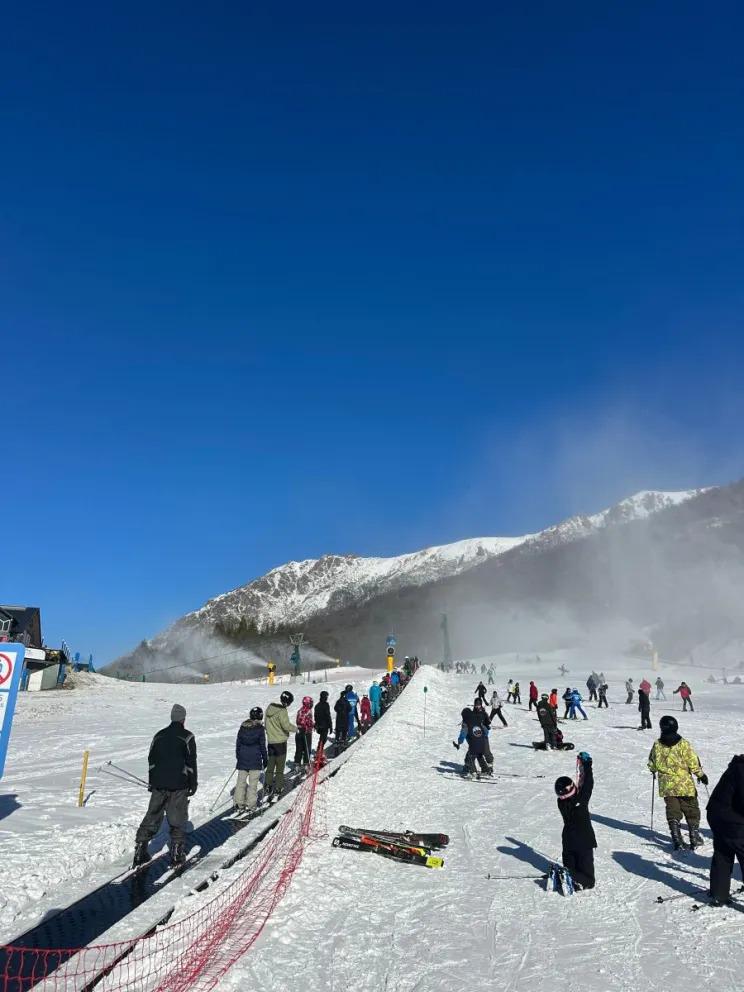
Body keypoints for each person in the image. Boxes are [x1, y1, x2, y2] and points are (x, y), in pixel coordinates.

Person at [133, 704, 197, 868]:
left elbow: (151, 760)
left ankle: (140, 849)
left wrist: (152, 781)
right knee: (177, 817)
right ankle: (176, 853)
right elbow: (191, 763)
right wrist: (193, 783)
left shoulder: (158, 735)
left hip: (158, 783)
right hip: (179, 784)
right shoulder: (187, 736)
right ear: (183, 719)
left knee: (153, 814)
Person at [648, 715, 707, 850]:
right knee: (691, 808)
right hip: (684, 784)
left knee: (673, 810)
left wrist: (653, 770)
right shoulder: (683, 744)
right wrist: (701, 775)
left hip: (667, 786)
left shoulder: (657, 745)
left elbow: (652, 762)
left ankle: (676, 838)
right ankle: (694, 836)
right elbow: (693, 763)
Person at [706, 754, 744, 907]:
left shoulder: (738, 766)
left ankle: (719, 894)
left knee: (723, 852)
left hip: (716, 815)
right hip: (731, 819)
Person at [555, 752, 596, 890]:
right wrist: (587, 764)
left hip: (568, 842)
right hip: (583, 842)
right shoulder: (580, 801)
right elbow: (588, 783)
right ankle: (572, 877)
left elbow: (581, 786)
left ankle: (566, 875)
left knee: (571, 869)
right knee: (589, 880)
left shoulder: (561, 803)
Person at [234, 706, 267, 813]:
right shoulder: (260, 729)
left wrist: (239, 757)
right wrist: (265, 758)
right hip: (255, 760)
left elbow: (238, 744)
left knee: (241, 783)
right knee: (253, 784)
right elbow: (262, 746)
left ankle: (239, 803)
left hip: (243, 759)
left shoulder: (243, 727)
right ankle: (251, 805)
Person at [264, 690, 296, 797]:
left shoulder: (270, 707)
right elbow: (286, 726)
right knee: (280, 767)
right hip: (280, 743)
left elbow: (266, 724)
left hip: (271, 742)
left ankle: (267, 785)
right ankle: (278, 787)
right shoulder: (282, 711)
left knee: (270, 765)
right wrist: (296, 729)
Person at [454, 708, 492, 777]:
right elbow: (486, 731)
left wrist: (459, 742)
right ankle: (486, 770)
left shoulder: (466, 723)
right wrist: (482, 737)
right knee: (479, 756)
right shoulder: (477, 720)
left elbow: (463, 734)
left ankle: (473, 772)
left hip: (474, 743)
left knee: (470, 757)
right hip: (483, 742)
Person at [471, 698, 494, 768]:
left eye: (479, 705)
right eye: (476, 705)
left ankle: (490, 764)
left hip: (484, 735)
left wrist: (487, 721)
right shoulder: (472, 714)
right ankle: (478, 767)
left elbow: (488, 722)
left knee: (486, 751)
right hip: (475, 736)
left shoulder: (484, 713)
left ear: (481, 705)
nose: (477, 706)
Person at [294, 696, 314, 768]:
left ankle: (297, 763)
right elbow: (309, 722)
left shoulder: (300, 710)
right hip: (306, 732)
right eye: (311, 703)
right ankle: (306, 763)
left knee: (299, 748)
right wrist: (313, 725)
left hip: (299, 731)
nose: (311, 704)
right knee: (307, 748)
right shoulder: (308, 711)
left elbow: (297, 721)